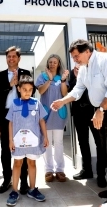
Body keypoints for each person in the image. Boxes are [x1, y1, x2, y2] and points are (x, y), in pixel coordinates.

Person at [50, 39, 107, 204]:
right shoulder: (84, 69)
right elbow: (78, 90)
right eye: (73, 57)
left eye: (76, 55)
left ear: (87, 51)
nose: (75, 60)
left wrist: (100, 110)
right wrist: (62, 101)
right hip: (101, 110)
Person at [0, 46, 32, 194]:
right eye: (9, 56)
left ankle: (23, 182)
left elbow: (30, 91)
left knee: (23, 148)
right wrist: (9, 86)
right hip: (5, 115)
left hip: (23, 114)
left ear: (19, 58)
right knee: (5, 149)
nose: (11, 59)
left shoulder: (26, 73)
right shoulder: (0, 75)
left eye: (14, 56)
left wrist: (18, 85)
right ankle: (7, 179)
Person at [6, 75, 49, 206]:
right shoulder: (14, 104)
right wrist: (10, 140)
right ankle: (14, 191)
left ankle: (32, 189)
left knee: (32, 163)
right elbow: (11, 123)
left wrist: (45, 137)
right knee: (17, 164)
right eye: (24, 89)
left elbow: (41, 120)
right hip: (18, 141)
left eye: (30, 89)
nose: (27, 92)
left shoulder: (37, 103)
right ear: (18, 89)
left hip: (34, 141)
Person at [69, 63, 107, 188]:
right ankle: (87, 170)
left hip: (93, 113)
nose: (77, 63)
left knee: (100, 143)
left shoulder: (93, 72)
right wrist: (75, 78)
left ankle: (101, 175)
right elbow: (71, 93)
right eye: (75, 59)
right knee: (82, 142)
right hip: (78, 114)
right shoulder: (70, 74)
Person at [35, 54, 69, 182]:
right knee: (47, 142)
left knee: (59, 143)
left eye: (55, 62)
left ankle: (60, 169)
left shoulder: (62, 78)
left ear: (58, 64)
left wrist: (64, 81)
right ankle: (49, 170)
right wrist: (49, 80)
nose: (52, 64)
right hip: (46, 113)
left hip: (59, 113)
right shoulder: (42, 77)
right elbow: (41, 91)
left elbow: (65, 94)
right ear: (48, 64)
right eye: (50, 62)